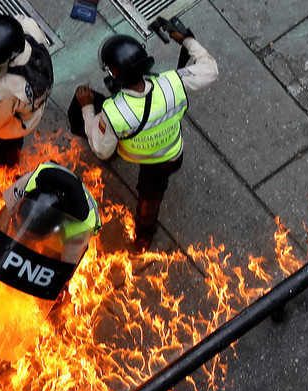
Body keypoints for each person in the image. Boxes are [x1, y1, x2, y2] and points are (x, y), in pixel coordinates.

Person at [75, 32, 217, 251]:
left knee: (148, 199)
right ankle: (144, 235)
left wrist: (86, 107)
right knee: (152, 194)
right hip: (170, 156)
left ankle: (144, 236)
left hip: (143, 158)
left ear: (114, 73)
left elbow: (101, 150)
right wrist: (187, 40)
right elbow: (210, 70)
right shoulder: (172, 83)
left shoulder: (115, 113)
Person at [0, 14, 52, 167]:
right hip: (32, 106)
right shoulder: (28, 27)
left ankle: (1, 167)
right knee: (13, 148)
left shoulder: (2, 90)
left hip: (17, 122)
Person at [0, 161, 101, 260]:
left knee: (51, 254)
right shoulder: (27, 185)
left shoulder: (80, 230)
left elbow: (62, 269)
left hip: (77, 224)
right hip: (50, 179)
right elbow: (7, 209)